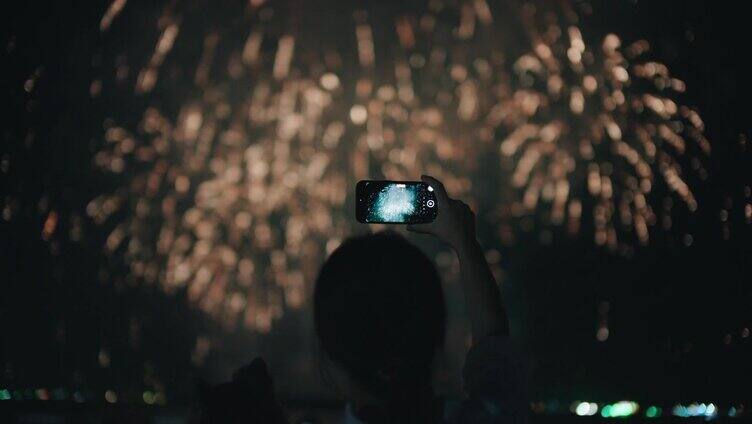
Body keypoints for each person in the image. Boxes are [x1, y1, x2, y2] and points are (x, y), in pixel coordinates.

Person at [314, 175, 526, 423]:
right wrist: (464, 241)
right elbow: (493, 340)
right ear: (436, 333)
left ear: (331, 360)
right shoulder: (491, 417)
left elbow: (493, 344)